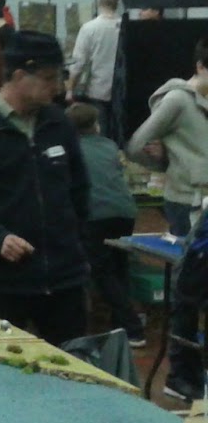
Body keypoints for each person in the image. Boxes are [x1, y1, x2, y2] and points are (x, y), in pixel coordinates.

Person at [0, 31, 90, 348]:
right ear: (19, 76)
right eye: (49, 78)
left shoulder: (59, 125)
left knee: (75, 365)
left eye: (60, 77)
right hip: (0, 283)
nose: (58, 87)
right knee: (1, 367)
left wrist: (74, 245)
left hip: (64, 280)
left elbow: (79, 192)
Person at [125, 36, 208, 400]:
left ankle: (195, 369)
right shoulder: (176, 100)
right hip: (187, 204)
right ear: (200, 66)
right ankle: (179, 374)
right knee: (188, 292)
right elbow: (136, 144)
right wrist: (165, 165)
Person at [68, 103, 146, 347]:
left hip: (95, 214)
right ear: (96, 125)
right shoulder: (110, 146)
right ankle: (121, 325)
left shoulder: (70, 149)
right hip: (124, 212)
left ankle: (132, 327)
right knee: (120, 266)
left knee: (102, 272)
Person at [67, 0, 122, 136]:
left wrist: (70, 90)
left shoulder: (89, 28)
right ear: (117, 5)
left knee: (100, 131)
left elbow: (79, 62)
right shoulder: (124, 28)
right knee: (120, 132)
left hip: (97, 90)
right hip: (122, 90)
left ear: (99, 4)